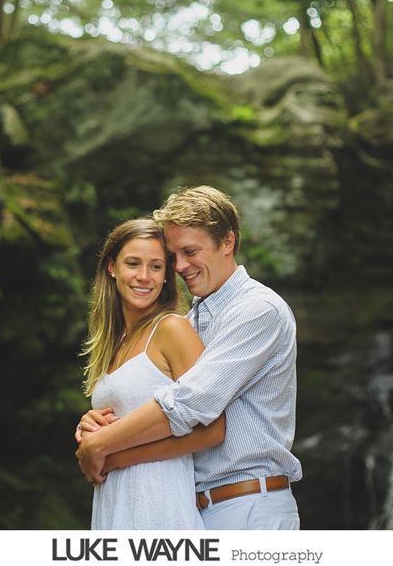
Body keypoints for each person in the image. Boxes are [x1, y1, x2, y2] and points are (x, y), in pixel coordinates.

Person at [76, 186, 301, 530]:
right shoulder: (193, 319)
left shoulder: (257, 310)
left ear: (227, 242)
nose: (180, 266)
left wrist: (104, 446)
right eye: (174, 256)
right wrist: (96, 424)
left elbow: (190, 402)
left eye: (190, 252)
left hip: (248, 506)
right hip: (194, 506)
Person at [79, 218, 226, 530]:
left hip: (158, 502)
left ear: (166, 276)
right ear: (111, 267)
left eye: (156, 267)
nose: (144, 277)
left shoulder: (172, 329)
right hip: (114, 500)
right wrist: (88, 428)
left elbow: (212, 430)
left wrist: (109, 453)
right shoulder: (111, 342)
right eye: (133, 263)